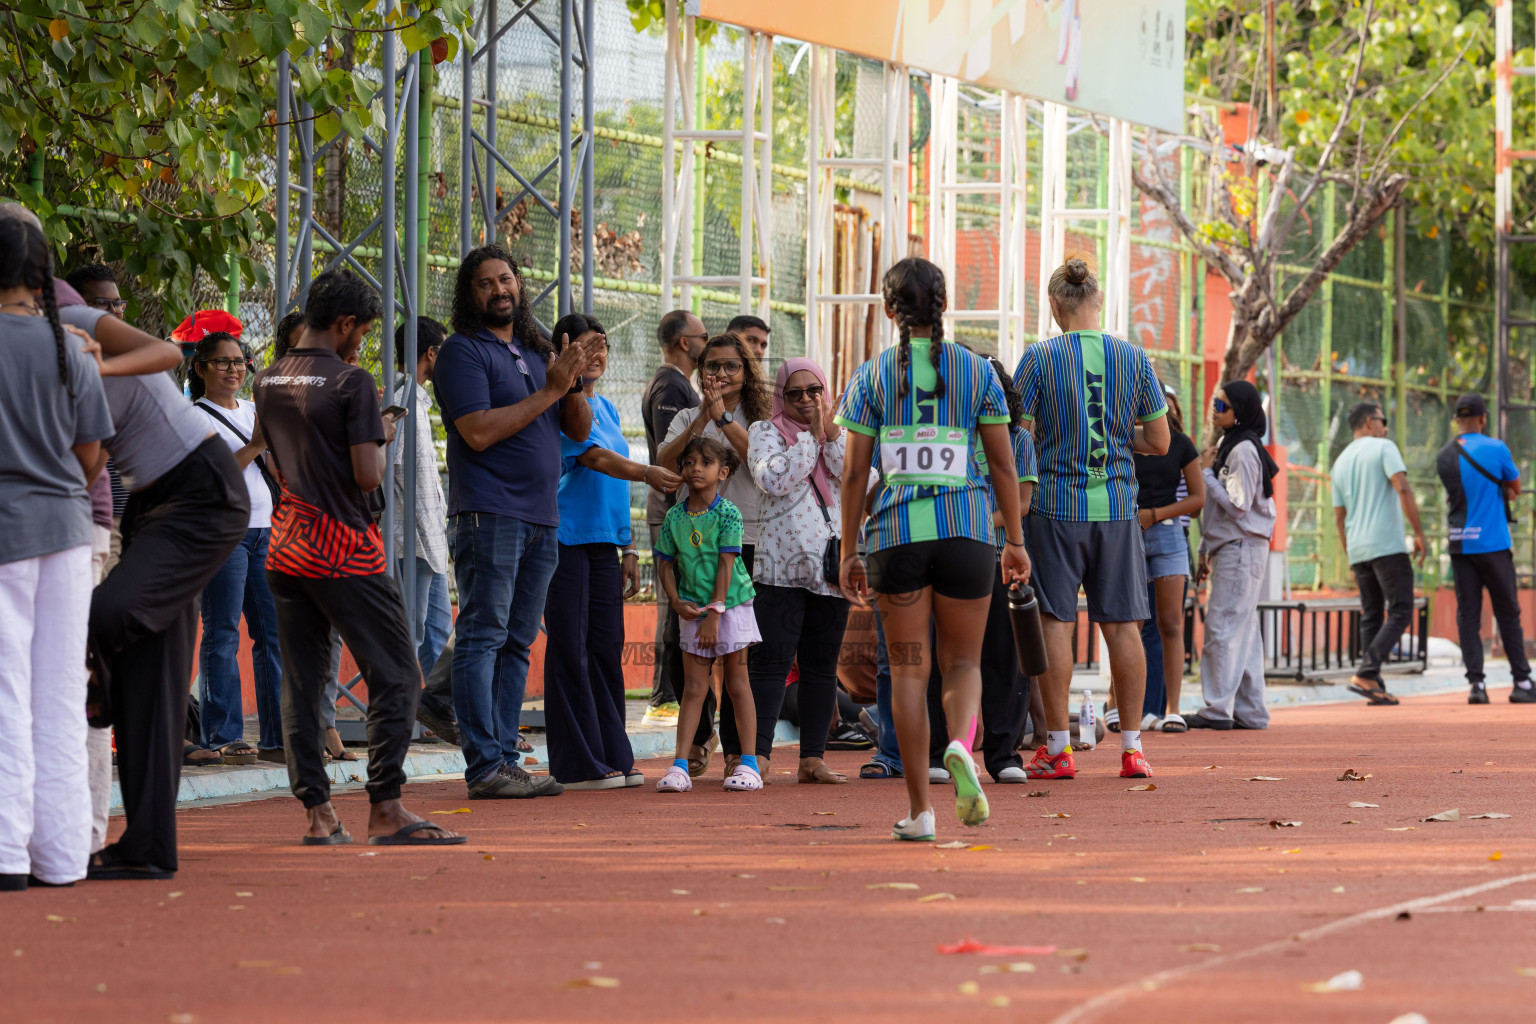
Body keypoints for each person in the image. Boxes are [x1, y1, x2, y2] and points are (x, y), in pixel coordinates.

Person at [255, 269, 464, 848]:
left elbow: (272, 456)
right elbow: (367, 473)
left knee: (302, 681)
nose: (363, 344)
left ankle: (319, 814)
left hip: (287, 543)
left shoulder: (268, 377)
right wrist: (384, 433)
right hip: (344, 547)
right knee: (398, 674)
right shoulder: (353, 382)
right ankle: (386, 806)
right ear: (345, 323)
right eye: (364, 332)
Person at [837, 256, 1028, 841]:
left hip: (896, 538)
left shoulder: (871, 377)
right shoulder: (979, 374)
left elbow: (852, 475)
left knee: (911, 673)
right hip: (969, 533)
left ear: (889, 310)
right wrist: (1015, 542)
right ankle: (961, 745)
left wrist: (849, 549)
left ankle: (921, 810)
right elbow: (1002, 463)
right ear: (944, 305)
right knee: (963, 663)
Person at [76, 302, 250, 880]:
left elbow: (171, 351)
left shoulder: (76, 329)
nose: (114, 310)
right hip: (150, 506)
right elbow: (90, 463)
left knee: (107, 615)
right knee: (149, 675)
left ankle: (92, 685)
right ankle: (148, 846)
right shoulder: (32, 352)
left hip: (201, 494)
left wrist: (94, 367)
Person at [433, 245, 591, 799]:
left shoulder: (536, 347)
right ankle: (483, 767)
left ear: (520, 284)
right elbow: (476, 431)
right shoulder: (462, 352)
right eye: (485, 283)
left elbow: (576, 430)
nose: (500, 289)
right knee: (483, 636)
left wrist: (573, 382)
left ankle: (504, 759)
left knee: (518, 642)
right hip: (488, 513)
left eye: (507, 278)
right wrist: (550, 388)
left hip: (542, 516)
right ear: (469, 294)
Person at [1011, 256, 1169, 780]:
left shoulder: (1038, 358)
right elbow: (1159, 439)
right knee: (1123, 627)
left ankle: (1058, 748)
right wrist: (1121, 439)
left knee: (1056, 621)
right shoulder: (1133, 357)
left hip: (1055, 508)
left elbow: (1021, 434)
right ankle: (1132, 748)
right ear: (1097, 302)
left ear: (1056, 305)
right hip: (1119, 509)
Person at [0, 216, 115, 891]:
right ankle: (63, 856)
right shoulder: (69, 348)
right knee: (59, 695)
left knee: (6, 691)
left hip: (7, 534)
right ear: (44, 278)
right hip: (69, 534)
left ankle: (7, 852)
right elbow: (91, 457)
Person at [543, 313, 682, 789]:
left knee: (605, 648)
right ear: (565, 352)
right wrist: (646, 473)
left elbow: (613, 486)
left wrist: (628, 547)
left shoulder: (607, 408)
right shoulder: (564, 403)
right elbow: (594, 458)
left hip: (604, 543)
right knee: (571, 649)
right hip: (566, 539)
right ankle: (576, 763)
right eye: (585, 346)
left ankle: (612, 754)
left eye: (601, 345)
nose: (597, 353)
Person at [658, 331, 771, 775]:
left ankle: (739, 758)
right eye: (712, 366)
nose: (721, 374)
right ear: (700, 370)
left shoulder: (762, 417)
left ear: (746, 373)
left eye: (731, 366)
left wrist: (723, 419)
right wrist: (700, 420)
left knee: (739, 662)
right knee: (691, 659)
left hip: (751, 538)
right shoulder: (687, 411)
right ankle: (696, 745)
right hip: (689, 540)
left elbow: (759, 467)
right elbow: (665, 463)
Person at [926, 357, 1039, 784]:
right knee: (943, 658)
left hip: (996, 556)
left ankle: (1004, 754)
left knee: (1004, 658)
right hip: (948, 557)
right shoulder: (944, 435)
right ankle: (939, 754)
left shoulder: (1016, 439)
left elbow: (1022, 503)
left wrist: (970, 522)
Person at [745, 355, 850, 784]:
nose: (807, 399)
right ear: (781, 397)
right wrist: (809, 438)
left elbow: (859, 475)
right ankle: (758, 756)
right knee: (770, 664)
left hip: (831, 570)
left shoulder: (839, 436)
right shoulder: (764, 432)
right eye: (795, 393)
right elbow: (773, 479)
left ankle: (812, 758)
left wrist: (832, 436)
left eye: (815, 391)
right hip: (780, 570)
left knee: (822, 667)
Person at [188, 329, 285, 765]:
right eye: (223, 362)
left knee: (273, 634)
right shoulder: (194, 417)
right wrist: (258, 445)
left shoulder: (253, 409)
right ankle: (222, 735)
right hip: (224, 533)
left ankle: (279, 735)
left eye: (239, 360)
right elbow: (211, 476)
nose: (234, 368)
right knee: (223, 632)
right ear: (201, 368)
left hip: (267, 529)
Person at [653, 437, 763, 793]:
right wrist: (674, 600)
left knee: (736, 683)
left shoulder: (728, 513)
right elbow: (665, 564)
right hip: (692, 608)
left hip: (730, 607)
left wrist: (715, 613)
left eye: (705, 462)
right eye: (689, 463)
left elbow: (726, 566)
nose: (696, 468)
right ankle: (679, 766)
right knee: (694, 689)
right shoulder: (673, 517)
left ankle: (749, 764)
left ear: (723, 472)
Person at [1187, 381, 1279, 730]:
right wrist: (1204, 549)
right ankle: (1250, 710)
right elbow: (1217, 512)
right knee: (1244, 631)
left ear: (1239, 410)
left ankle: (1216, 709)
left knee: (1222, 626)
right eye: (1214, 402)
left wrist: (1206, 474)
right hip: (1234, 546)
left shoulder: (1243, 450)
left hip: (1243, 545)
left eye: (1222, 405)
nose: (1214, 409)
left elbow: (1238, 507)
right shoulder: (1229, 444)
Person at [1435, 393, 1533, 705]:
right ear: (1483, 418)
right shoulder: (1496, 448)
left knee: (1468, 616)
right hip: (1493, 544)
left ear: (1456, 420)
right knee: (1508, 612)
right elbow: (1515, 488)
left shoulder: (1444, 455)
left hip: (1461, 545)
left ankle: (1476, 686)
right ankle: (1521, 682)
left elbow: (1455, 493)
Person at [1332, 401, 1428, 706]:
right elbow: (1402, 487)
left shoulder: (1340, 462)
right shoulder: (1384, 447)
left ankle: (1374, 682)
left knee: (1372, 614)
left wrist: (1350, 552)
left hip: (1359, 547)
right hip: (1386, 544)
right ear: (1369, 422)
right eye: (1383, 420)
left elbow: (1339, 517)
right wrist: (1420, 533)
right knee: (1401, 608)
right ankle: (1367, 670)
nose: (1385, 427)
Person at [641, 309, 706, 726]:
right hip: (669, 507)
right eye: (703, 335)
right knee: (672, 599)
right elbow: (675, 450)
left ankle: (676, 694)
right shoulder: (670, 384)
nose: (707, 341)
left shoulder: (678, 384)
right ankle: (664, 696)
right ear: (685, 342)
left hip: (679, 507)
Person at [1131, 386, 1205, 733]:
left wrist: (1155, 514)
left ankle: (1174, 709)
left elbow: (1197, 498)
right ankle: (1123, 708)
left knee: (1171, 623)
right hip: (1128, 534)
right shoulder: (1122, 438)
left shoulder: (1180, 443)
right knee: (1130, 624)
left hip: (1168, 535)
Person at [390, 316, 452, 678]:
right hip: (410, 540)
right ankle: (398, 718)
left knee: (438, 633)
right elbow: (394, 471)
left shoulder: (416, 400)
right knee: (410, 633)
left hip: (429, 540)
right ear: (431, 353)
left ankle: (434, 713)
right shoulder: (403, 402)